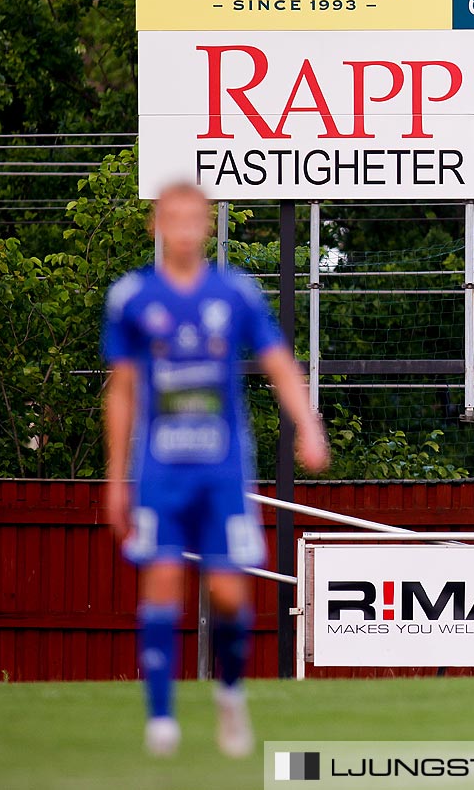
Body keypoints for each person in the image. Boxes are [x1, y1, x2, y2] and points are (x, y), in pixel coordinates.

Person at [102, 181, 328, 758]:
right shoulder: (132, 297)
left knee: (229, 594)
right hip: (159, 469)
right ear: (157, 224)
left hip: (224, 469)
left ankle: (229, 696)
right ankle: (161, 722)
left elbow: (278, 360)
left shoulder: (236, 293)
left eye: (193, 217)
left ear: (206, 226)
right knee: (161, 582)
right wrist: (115, 476)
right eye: (170, 217)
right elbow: (122, 389)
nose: (181, 227)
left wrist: (308, 425)